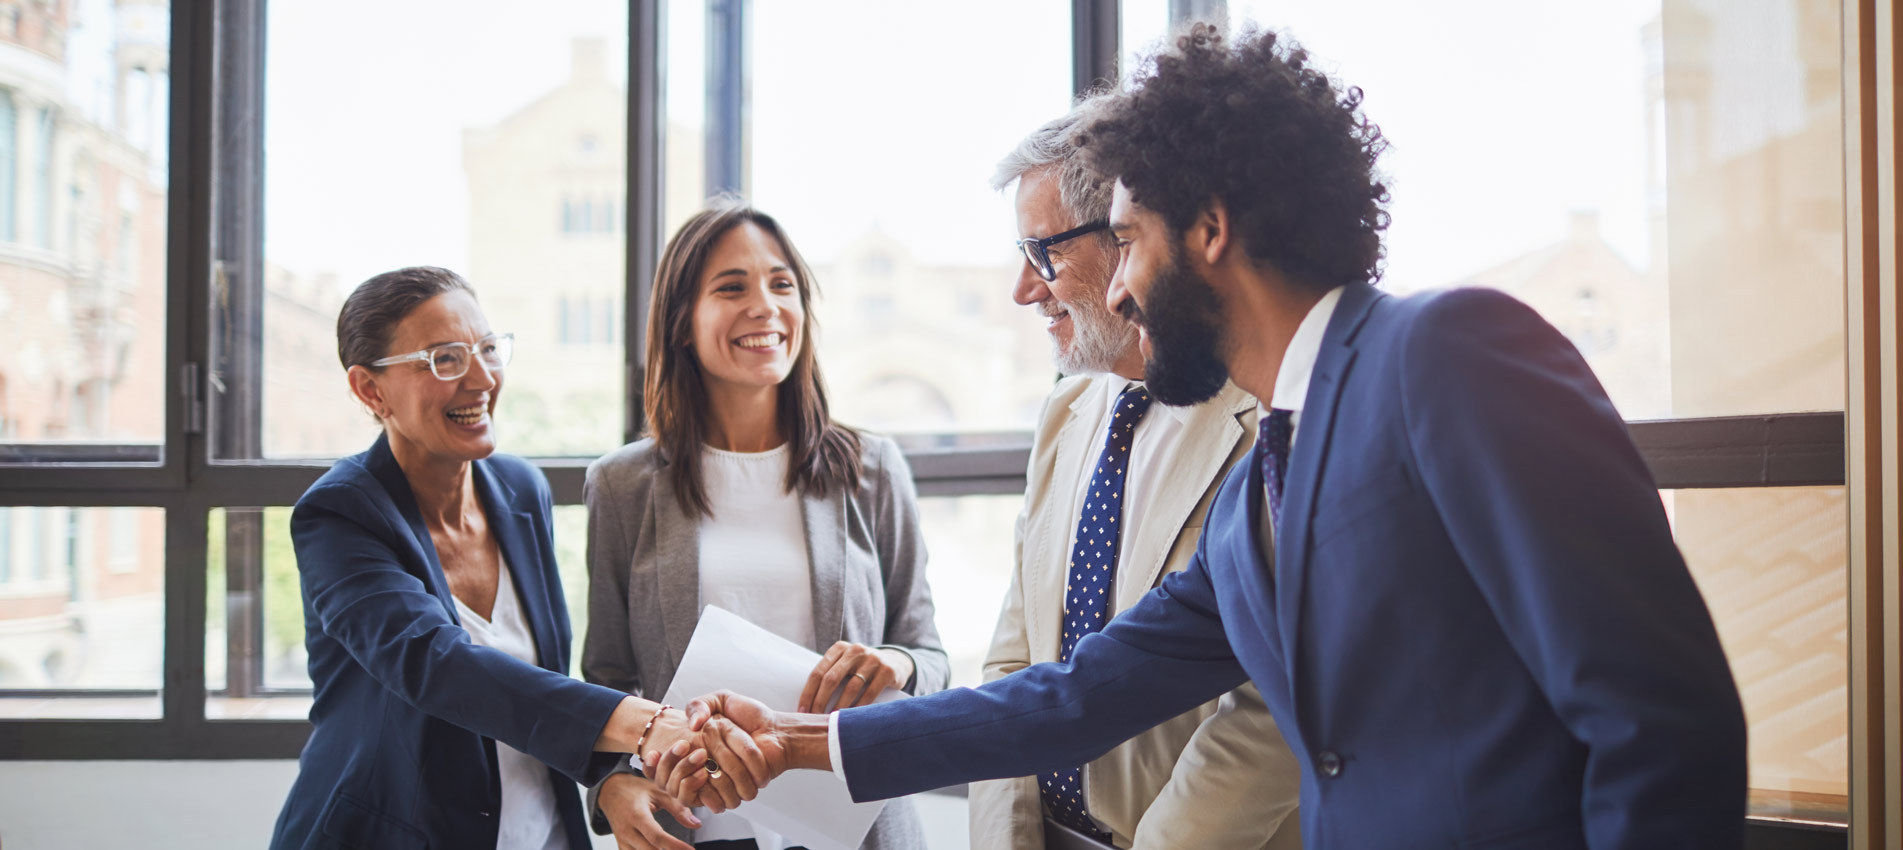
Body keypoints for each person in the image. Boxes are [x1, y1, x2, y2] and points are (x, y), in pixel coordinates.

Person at [665, 25, 1748, 850]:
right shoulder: (1255, 498)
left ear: (1210, 230)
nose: (1121, 285)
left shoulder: (1448, 351)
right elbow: (1072, 696)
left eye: (1126, 239)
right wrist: (794, 742)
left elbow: (1661, 719)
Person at [270, 267, 758, 850]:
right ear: (370, 390)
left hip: (539, 833)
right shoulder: (341, 514)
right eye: (444, 359)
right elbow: (435, 664)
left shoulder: (520, 489)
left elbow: (542, 681)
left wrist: (609, 779)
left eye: (487, 349)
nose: (481, 379)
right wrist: (646, 723)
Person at [970, 100, 1300, 850]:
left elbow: (1267, 711)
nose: (1026, 289)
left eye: (1042, 253)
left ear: (1127, 237)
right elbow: (1015, 659)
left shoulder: (1270, 421)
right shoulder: (1067, 411)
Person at [581, 200, 948, 850]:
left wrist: (891, 663)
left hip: (854, 831)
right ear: (681, 323)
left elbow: (929, 658)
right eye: (731, 288)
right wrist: (610, 781)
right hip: (695, 829)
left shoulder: (872, 469)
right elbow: (607, 679)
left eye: (782, 285)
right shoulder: (622, 486)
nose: (764, 306)